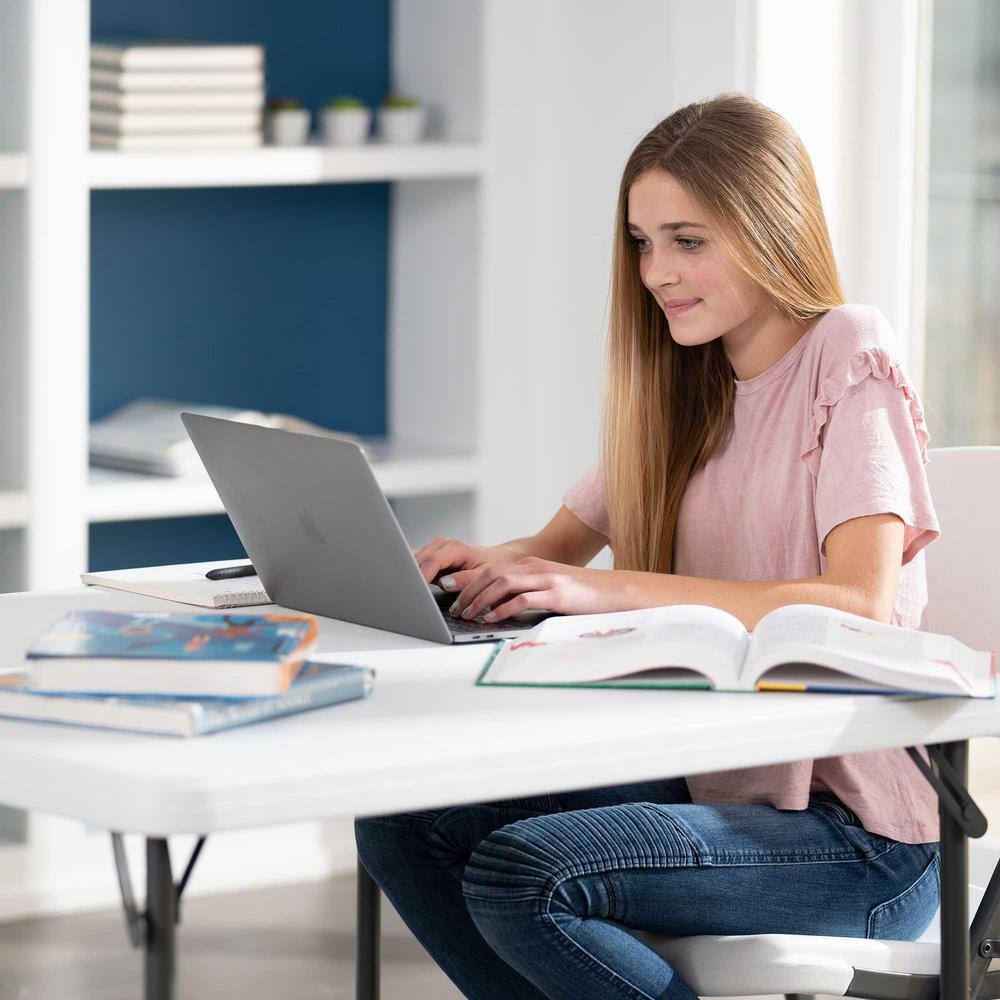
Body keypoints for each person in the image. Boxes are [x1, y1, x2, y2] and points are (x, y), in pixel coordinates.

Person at [354, 91, 942, 1000]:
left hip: (858, 838)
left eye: (688, 239)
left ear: (770, 225)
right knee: (402, 823)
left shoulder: (847, 349)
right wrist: (424, 572)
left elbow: (861, 603)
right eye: (641, 242)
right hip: (723, 792)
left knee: (527, 875)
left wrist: (607, 589)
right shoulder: (684, 389)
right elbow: (548, 553)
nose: (656, 271)